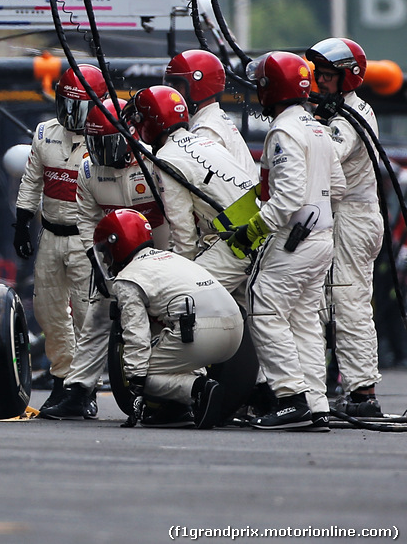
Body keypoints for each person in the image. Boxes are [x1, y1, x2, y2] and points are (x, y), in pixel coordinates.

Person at [38, 99, 171, 420]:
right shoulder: (87, 168)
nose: (98, 150)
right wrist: (96, 259)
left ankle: (163, 393)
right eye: (93, 141)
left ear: (127, 136)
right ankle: (80, 391)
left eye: (106, 142)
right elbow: (86, 218)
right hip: (116, 258)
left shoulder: (155, 163)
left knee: (161, 324)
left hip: (161, 258)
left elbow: (177, 215)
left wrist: (175, 258)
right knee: (96, 317)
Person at [236, 52, 343, 430]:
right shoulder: (317, 128)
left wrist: (251, 230)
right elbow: (339, 186)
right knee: (304, 321)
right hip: (321, 239)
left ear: (270, 88)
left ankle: (290, 398)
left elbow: (287, 198)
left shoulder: (283, 131)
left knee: (264, 308)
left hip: (294, 240)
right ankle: (316, 403)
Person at [96, 209, 243, 429]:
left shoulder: (128, 279)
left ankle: (197, 389)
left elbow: (136, 334)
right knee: (171, 347)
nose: (107, 260)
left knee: (143, 372)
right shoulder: (170, 258)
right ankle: (178, 406)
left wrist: (136, 384)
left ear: (117, 243)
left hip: (202, 333)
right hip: (236, 329)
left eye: (106, 253)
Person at [13, 66, 105, 410]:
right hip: (50, 235)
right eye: (65, 104)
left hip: (87, 241)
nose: (70, 114)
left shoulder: (105, 138)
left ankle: (86, 389)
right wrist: (21, 223)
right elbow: (31, 181)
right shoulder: (44, 133)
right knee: (49, 312)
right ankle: (62, 379)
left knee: (86, 314)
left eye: (78, 106)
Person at [306, 37, 383, 417]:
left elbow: (328, 153)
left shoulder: (353, 115)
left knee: (348, 301)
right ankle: (318, 389)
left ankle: (362, 393)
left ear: (348, 78)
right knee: (323, 302)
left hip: (354, 216)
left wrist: (310, 123)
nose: (321, 82)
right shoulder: (337, 111)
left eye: (328, 76)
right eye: (318, 75)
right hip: (342, 215)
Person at [131, 85, 258, 302]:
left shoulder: (167, 158)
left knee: (178, 300)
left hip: (241, 242)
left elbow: (183, 234)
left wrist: (183, 274)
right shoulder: (204, 140)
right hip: (261, 231)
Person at [163, 49, 253, 172]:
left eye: (177, 86)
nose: (174, 93)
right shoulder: (213, 119)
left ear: (197, 86)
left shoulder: (206, 131)